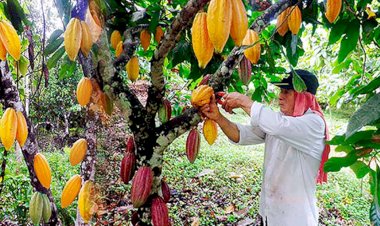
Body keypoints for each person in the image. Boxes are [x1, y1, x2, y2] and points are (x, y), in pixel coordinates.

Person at [200, 70, 330, 226]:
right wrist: (219, 118)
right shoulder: (281, 120)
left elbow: (277, 127)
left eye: (286, 92)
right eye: (280, 91)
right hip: (269, 213)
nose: (280, 96)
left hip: (294, 219)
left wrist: (244, 102)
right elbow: (242, 135)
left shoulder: (314, 123)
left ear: (304, 96)